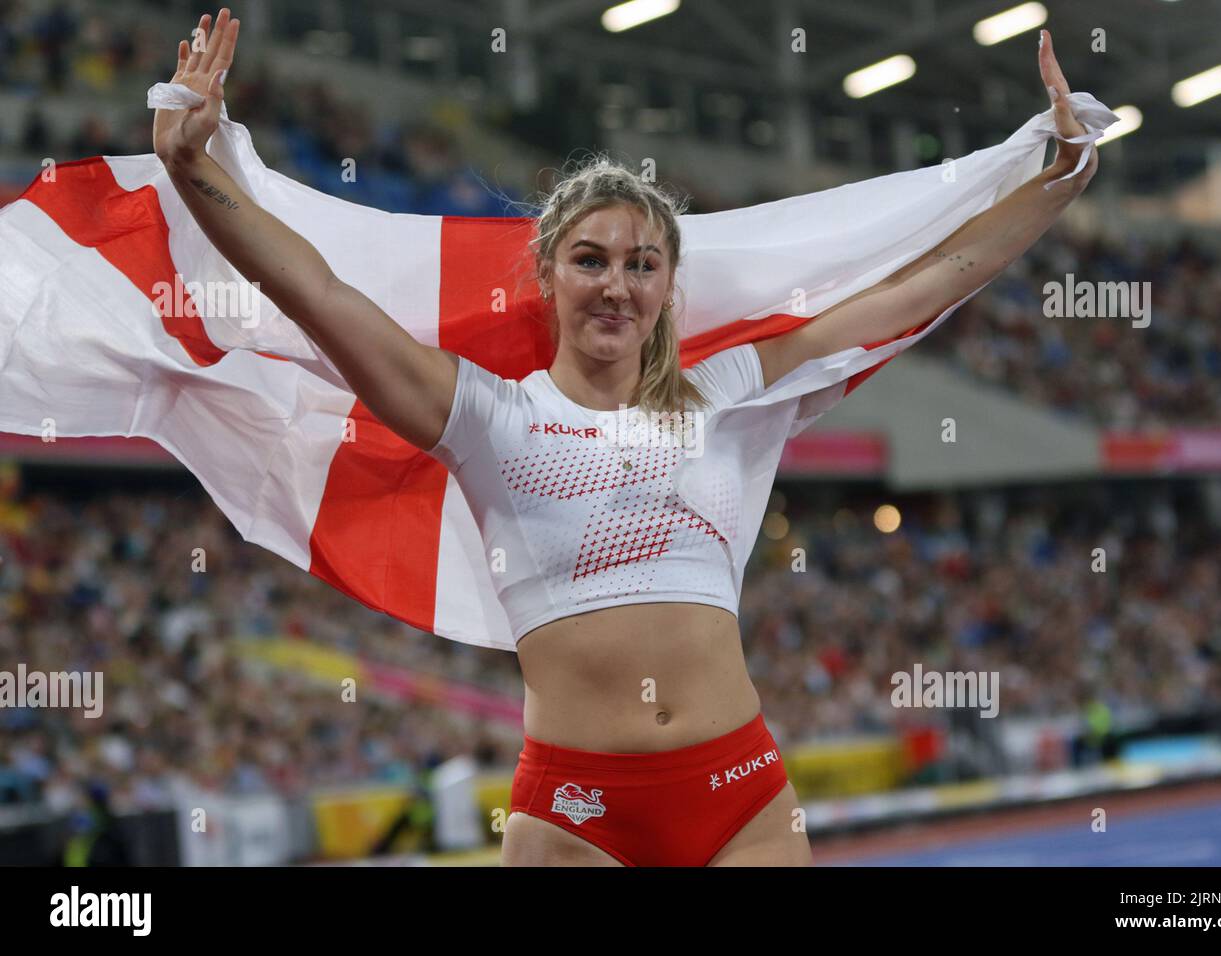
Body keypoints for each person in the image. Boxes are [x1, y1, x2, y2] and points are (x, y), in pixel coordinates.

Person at [152, 9, 1096, 866]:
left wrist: (1056, 179)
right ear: (547, 275)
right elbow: (317, 293)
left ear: (668, 288)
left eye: (643, 264)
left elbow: (918, 288)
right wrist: (195, 168)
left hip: (745, 800)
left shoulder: (727, 389)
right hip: (575, 818)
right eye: (591, 259)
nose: (617, 284)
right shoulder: (485, 415)